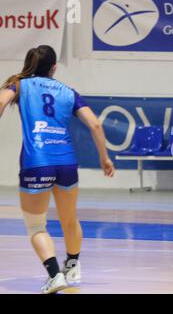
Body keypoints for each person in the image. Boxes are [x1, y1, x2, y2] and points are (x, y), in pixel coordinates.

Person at [0, 45, 115, 293]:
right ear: (53, 68)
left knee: (36, 226)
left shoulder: (19, 85)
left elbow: (0, 102)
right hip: (66, 163)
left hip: (36, 162)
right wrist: (105, 158)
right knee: (69, 219)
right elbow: (95, 125)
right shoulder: (68, 92)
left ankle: (55, 276)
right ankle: (72, 265)